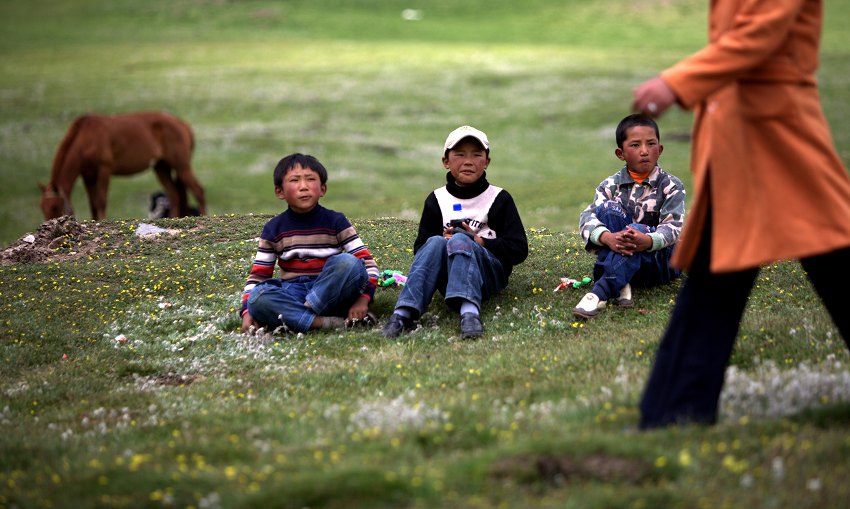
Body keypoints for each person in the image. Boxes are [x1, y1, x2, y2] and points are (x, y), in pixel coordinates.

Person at [631, 0, 850, 428]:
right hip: (741, 141)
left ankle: (675, 413)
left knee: (834, 255)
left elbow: (758, 36)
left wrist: (676, 83)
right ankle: (676, 414)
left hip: (779, 135)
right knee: (717, 274)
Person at [381, 125, 528, 339]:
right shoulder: (436, 200)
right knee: (434, 243)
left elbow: (519, 250)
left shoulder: (499, 199)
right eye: (460, 154)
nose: (468, 161)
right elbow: (421, 250)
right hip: (447, 278)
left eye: (476, 155)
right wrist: (444, 241)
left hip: (487, 276)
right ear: (446, 162)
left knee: (461, 239)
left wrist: (479, 241)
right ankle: (403, 314)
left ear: (486, 162)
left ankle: (470, 313)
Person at [240, 153, 380, 333]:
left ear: (322, 189)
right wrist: (246, 313)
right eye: (294, 180)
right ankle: (324, 321)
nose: (303, 187)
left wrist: (363, 300)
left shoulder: (336, 221)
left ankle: (298, 317)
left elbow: (369, 266)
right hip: (294, 292)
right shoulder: (273, 229)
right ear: (279, 191)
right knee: (258, 297)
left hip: (332, 289)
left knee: (348, 263)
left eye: (310, 179)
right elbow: (258, 277)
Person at [572, 114, 685, 319]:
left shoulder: (671, 186)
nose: (644, 151)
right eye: (635, 145)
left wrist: (648, 240)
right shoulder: (609, 185)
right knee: (607, 209)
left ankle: (599, 293)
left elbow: (673, 228)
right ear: (620, 153)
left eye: (651, 144)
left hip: (660, 263)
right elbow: (587, 217)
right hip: (624, 252)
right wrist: (608, 238)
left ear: (659, 149)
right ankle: (623, 283)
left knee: (638, 229)